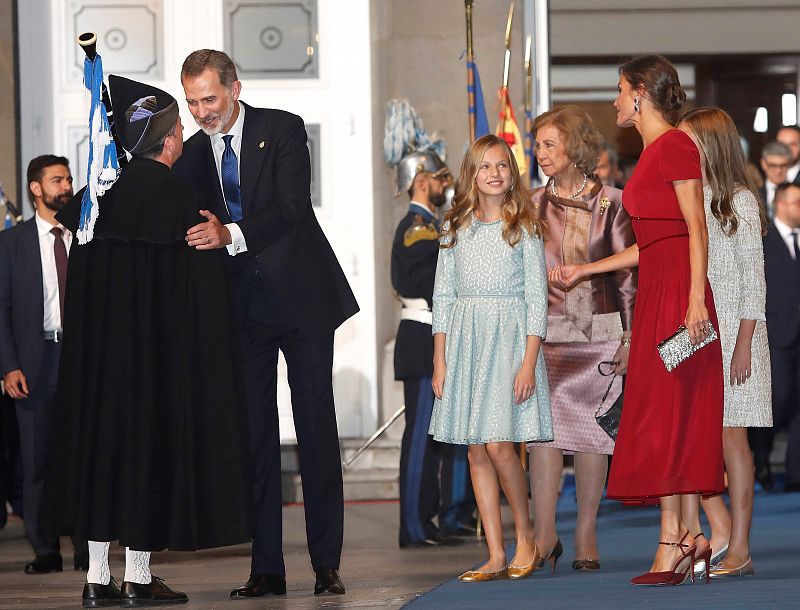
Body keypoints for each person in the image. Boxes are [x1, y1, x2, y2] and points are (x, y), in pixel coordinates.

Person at [38, 76, 253, 607]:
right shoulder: (181, 197)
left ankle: (94, 580)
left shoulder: (97, 196)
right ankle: (136, 577)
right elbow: (200, 294)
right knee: (144, 461)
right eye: (179, 126)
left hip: (96, 366)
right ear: (170, 141)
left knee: (99, 460)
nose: (183, 134)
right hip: (152, 364)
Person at [175, 49, 359, 598]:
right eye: (192, 102)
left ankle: (327, 562)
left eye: (209, 98)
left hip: (302, 303)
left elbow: (291, 207)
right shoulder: (188, 154)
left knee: (315, 433)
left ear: (235, 87)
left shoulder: (281, 129)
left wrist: (231, 233)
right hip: (241, 312)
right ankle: (267, 568)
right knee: (254, 440)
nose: (202, 111)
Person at [552, 54, 724, 586]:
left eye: (620, 89)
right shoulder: (652, 152)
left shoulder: (674, 145)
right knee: (659, 416)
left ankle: (676, 540)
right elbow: (648, 245)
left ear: (641, 93)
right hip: (658, 292)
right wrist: (585, 268)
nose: (614, 99)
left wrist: (695, 300)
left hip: (680, 296)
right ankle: (680, 536)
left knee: (671, 416)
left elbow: (697, 229)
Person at [429, 134, 552, 582]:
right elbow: (442, 296)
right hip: (466, 340)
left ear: (512, 173)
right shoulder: (454, 227)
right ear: (472, 175)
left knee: (501, 444)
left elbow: (538, 298)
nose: (494, 173)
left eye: (502, 165)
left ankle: (527, 537)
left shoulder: (525, 227)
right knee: (476, 449)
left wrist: (528, 360)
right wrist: (440, 359)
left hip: (511, 338)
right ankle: (496, 553)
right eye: (485, 166)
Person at [529, 106, 636, 572]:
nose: (540, 154)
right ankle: (544, 531)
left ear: (574, 148)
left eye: (549, 144)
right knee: (543, 435)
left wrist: (630, 338)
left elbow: (629, 274)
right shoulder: (529, 203)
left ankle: (586, 530)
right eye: (537, 146)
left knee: (594, 436)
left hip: (600, 335)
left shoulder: (613, 200)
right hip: (544, 336)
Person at [679, 107, 772, 579]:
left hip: (737, 333)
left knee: (731, 437)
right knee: (692, 437)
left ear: (711, 144)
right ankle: (714, 530)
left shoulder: (738, 200)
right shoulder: (688, 196)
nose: (684, 148)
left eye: (691, 140)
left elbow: (754, 280)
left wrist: (742, 342)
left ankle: (740, 546)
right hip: (696, 332)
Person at [0, 156, 89, 574]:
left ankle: (91, 548)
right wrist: (8, 366)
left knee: (86, 456)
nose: (66, 186)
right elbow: (0, 310)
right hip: (35, 363)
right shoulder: (11, 243)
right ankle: (45, 549)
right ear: (36, 189)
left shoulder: (86, 237)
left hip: (82, 360)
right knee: (37, 461)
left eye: (69, 178)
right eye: (57, 180)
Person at [390, 149, 472, 548]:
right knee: (421, 438)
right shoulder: (418, 227)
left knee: (436, 439)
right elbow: (430, 284)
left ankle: (430, 517)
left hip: (432, 337)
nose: (445, 185)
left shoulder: (429, 225)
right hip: (423, 338)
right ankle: (414, 525)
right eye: (440, 178)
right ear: (421, 181)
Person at [751, 182, 800, 492]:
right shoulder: (764, 241)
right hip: (775, 335)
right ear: (781, 204)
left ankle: (796, 473)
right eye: (796, 202)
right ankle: (761, 460)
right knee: (776, 401)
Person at [758, 141, 792, 217]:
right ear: (763, 164)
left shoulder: (797, 193)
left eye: (783, 165)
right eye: (773, 165)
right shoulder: (755, 195)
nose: (778, 171)